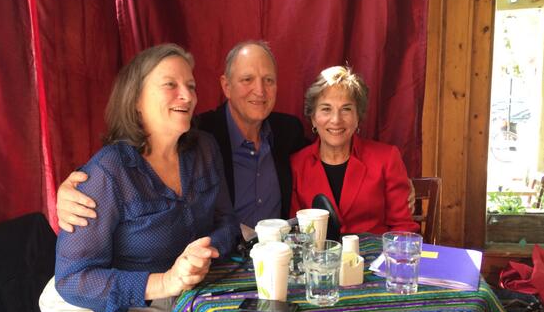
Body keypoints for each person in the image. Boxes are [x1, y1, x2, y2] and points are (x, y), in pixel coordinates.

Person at [38, 44, 238, 312]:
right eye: (170, 84)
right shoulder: (107, 172)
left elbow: (227, 221)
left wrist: (205, 251)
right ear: (136, 101)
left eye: (191, 86)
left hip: (170, 307)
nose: (187, 95)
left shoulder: (205, 149)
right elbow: (74, 279)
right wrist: (167, 280)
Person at [56, 41, 307, 230]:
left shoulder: (288, 130)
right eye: (247, 79)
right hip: (220, 262)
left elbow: (320, 158)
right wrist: (72, 189)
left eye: (269, 80)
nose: (260, 90)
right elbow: (128, 161)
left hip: (276, 260)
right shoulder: (198, 132)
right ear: (226, 86)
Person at [290, 65, 419, 235]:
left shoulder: (387, 159)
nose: (336, 120)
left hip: (375, 251)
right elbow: (295, 232)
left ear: (358, 117)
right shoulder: (296, 165)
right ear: (313, 118)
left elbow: (403, 228)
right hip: (317, 253)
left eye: (346, 109)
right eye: (326, 109)